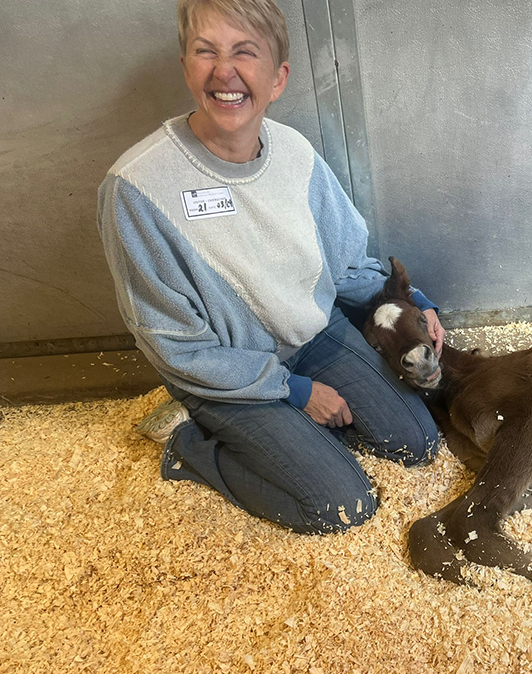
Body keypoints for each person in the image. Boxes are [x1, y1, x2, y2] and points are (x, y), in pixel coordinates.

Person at [97, 0, 444, 534]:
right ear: (187, 66)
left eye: (245, 53)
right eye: (205, 51)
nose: (224, 71)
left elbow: (348, 264)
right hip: (226, 372)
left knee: (417, 443)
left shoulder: (296, 154)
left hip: (314, 336)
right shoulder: (137, 190)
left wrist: (413, 304)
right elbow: (175, 345)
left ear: (277, 78)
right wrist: (295, 393)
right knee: (339, 506)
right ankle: (187, 444)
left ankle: (291, 440)